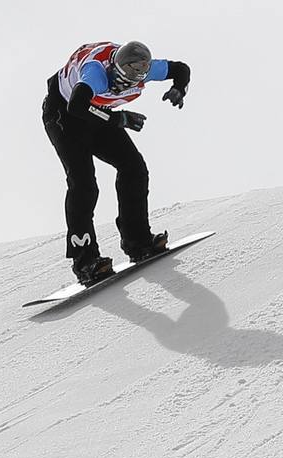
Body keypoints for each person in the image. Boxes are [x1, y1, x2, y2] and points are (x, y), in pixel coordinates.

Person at [43, 41, 191, 285]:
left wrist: (180, 88)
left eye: (138, 74)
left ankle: (138, 241)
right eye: (127, 74)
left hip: (98, 111)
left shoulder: (148, 68)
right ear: (115, 67)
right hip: (65, 115)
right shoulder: (96, 73)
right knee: (83, 184)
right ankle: (85, 261)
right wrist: (118, 117)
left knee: (134, 168)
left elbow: (181, 69)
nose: (133, 78)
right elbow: (77, 105)